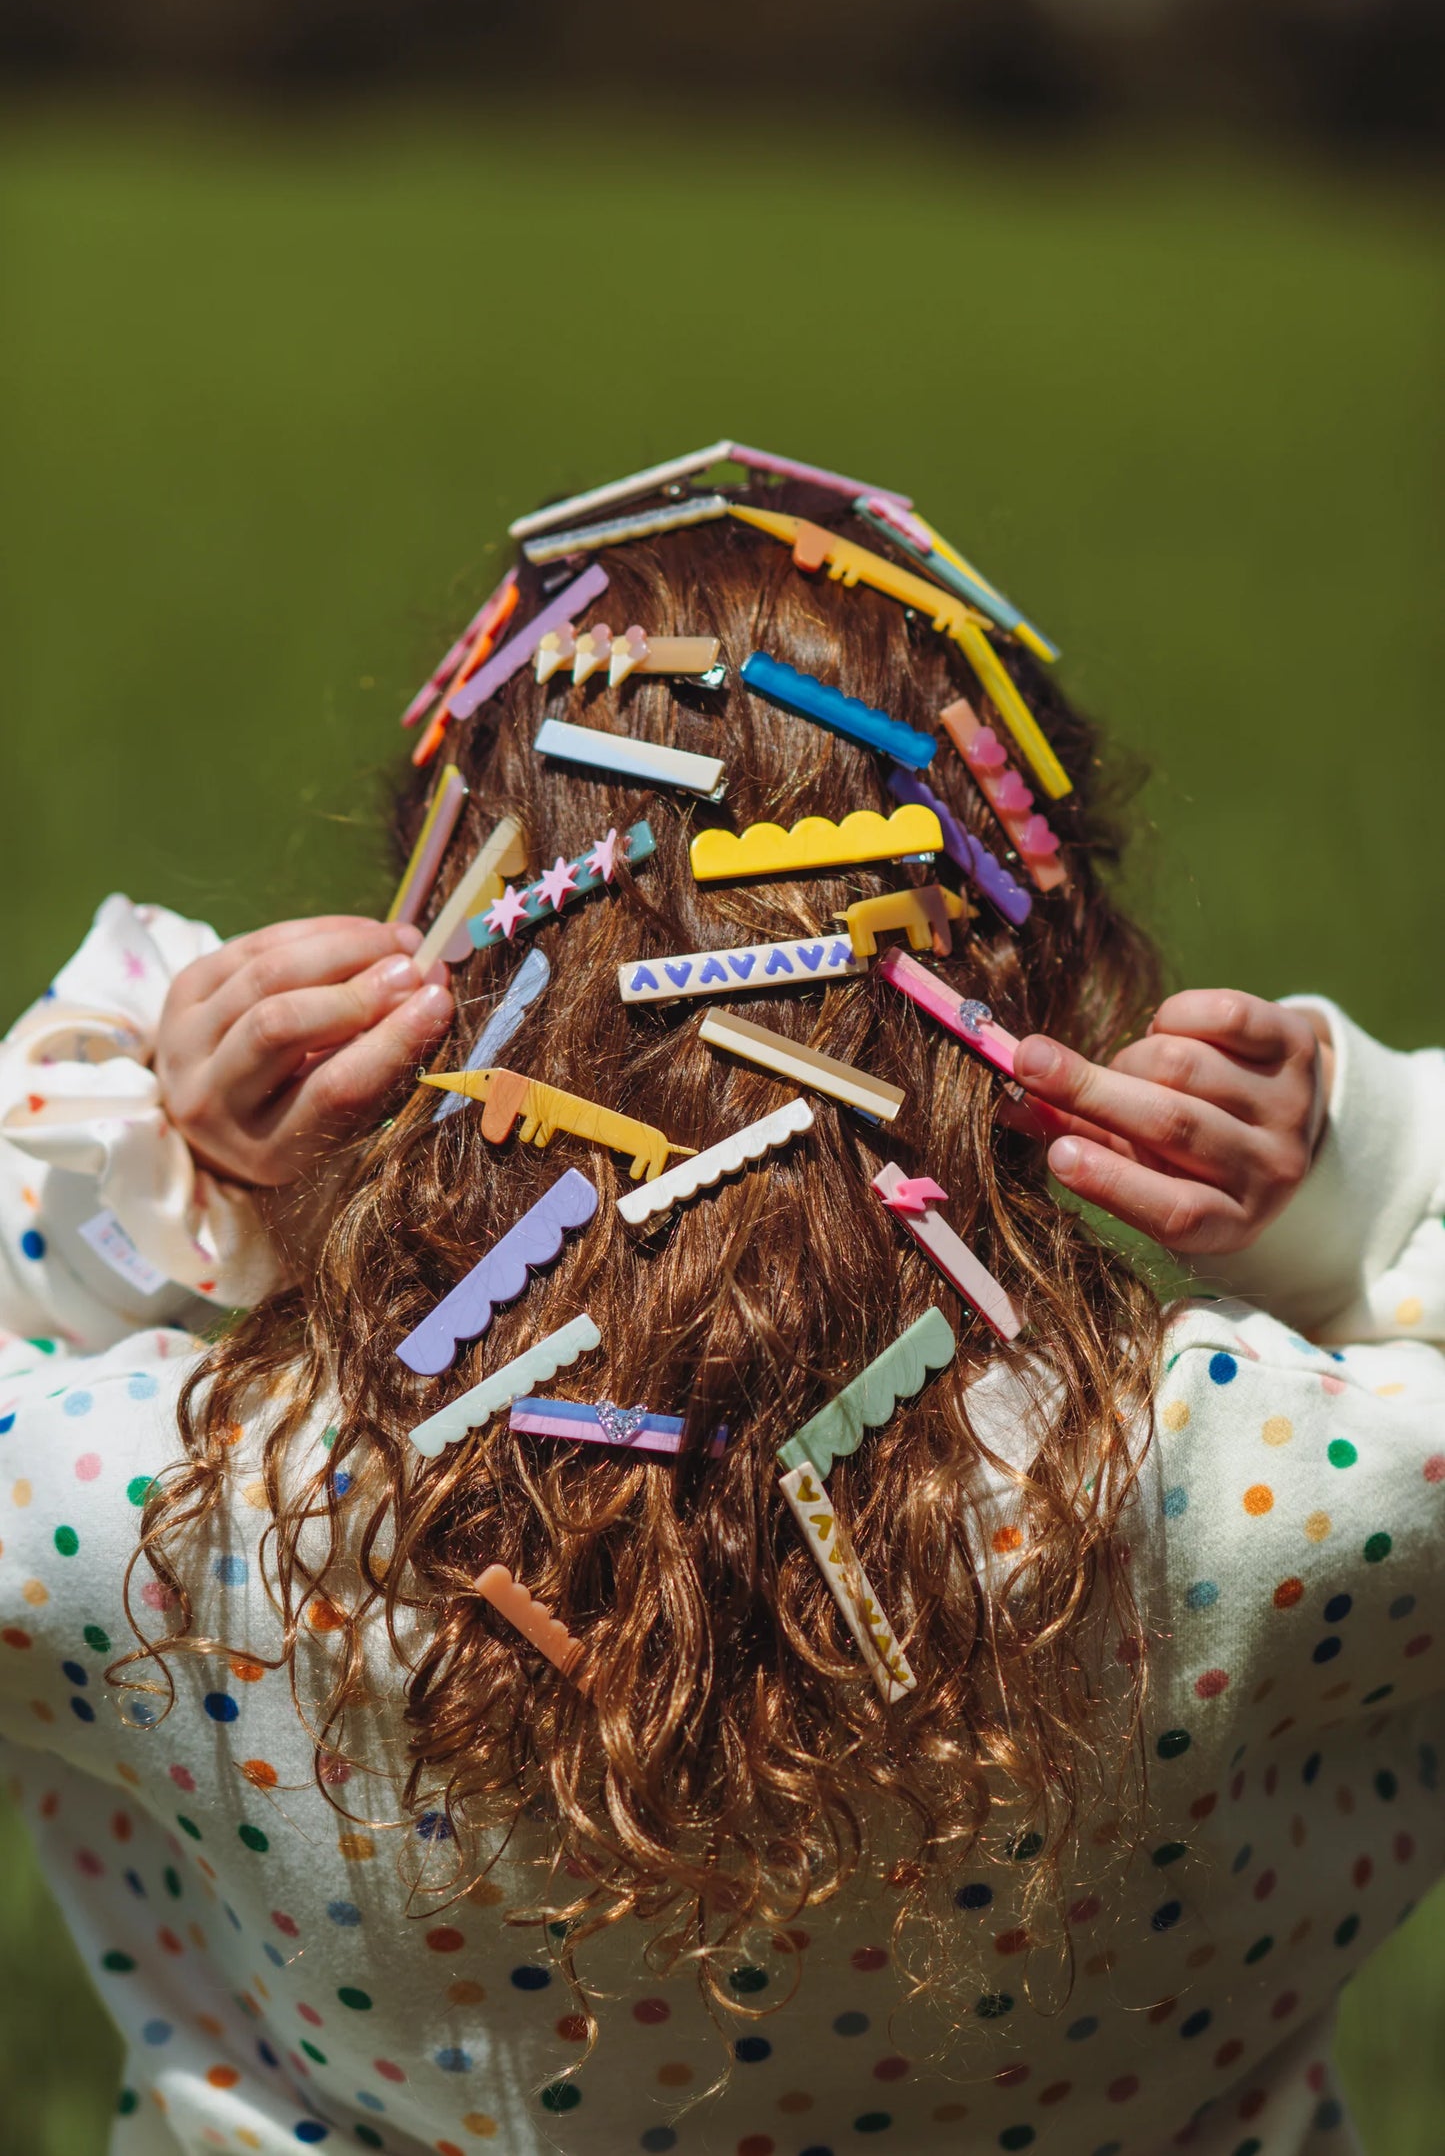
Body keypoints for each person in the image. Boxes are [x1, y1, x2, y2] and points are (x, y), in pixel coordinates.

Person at [0, 454, 1439, 2156]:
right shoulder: (1241, 1491)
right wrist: (1364, 1185)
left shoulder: (195, 1511)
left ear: (436, 972)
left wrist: (164, 1179)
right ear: (1044, 965)